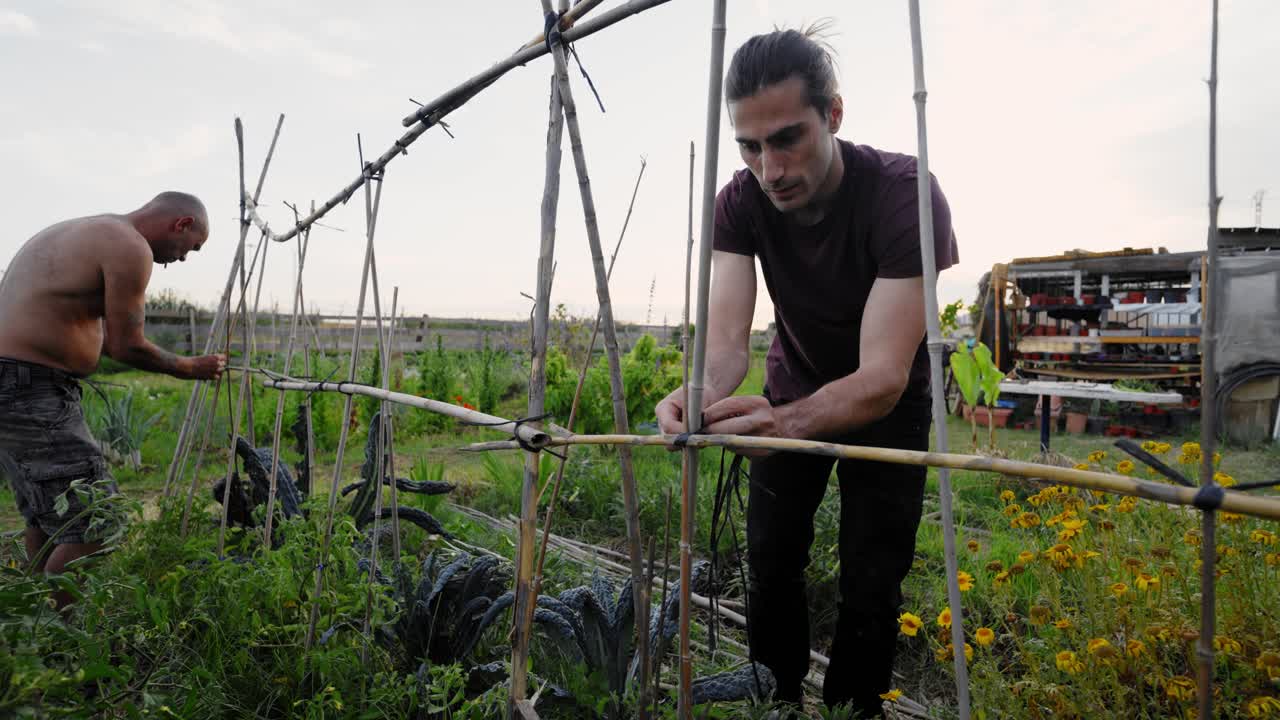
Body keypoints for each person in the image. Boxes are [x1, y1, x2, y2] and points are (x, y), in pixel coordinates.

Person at [655, 27, 959, 718]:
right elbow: (729, 343)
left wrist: (782, 423)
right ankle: (778, 697)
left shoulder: (904, 196)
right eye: (750, 146)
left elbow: (882, 375)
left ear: (834, 115)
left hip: (889, 407)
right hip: (790, 387)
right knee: (772, 561)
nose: (771, 168)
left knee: (872, 579)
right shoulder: (738, 202)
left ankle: (857, 707)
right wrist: (699, 392)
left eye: (788, 138)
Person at [0, 191, 226, 598]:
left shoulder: (90, 231)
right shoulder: (129, 246)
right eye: (191, 247)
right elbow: (126, 346)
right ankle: (59, 636)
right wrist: (192, 367)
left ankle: (30, 624)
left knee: (50, 516)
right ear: (181, 224)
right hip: (28, 387)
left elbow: (101, 338)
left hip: (18, 384)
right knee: (102, 517)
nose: (183, 259)